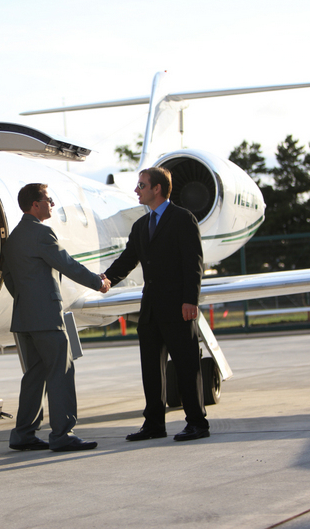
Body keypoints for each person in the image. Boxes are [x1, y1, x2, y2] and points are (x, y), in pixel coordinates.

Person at [103, 167, 209, 442]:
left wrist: (190, 300)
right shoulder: (141, 226)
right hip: (150, 310)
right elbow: (127, 260)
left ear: (157, 189)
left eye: (141, 185)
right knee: (151, 370)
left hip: (179, 307)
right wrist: (105, 280)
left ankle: (197, 423)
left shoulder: (183, 219)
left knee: (187, 367)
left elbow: (193, 264)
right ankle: (154, 425)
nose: (137, 190)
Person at [2, 183, 109, 452]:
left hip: (24, 317)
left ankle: (23, 433)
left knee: (34, 375)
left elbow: (10, 278)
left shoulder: (14, 237)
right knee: (61, 371)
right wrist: (98, 282)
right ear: (35, 204)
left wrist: (27, 300)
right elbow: (67, 264)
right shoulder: (41, 232)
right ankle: (62, 434)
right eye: (48, 200)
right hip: (47, 317)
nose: (52, 205)